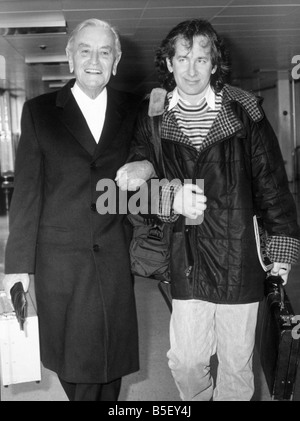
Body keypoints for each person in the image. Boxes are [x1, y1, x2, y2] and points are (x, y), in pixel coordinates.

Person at [116, 19, 300, 401]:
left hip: (239, 254)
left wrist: (282, 249)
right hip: (187, 255)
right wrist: (170, 198)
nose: (191, 69)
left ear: (215, 64)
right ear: (168, 64)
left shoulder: (245, 111)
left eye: (202, 59)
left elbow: (271, 182)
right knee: (185, 360)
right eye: (182, 59)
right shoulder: (152, 116)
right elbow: (136, 193)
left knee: (236, 366)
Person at [3, 18, 154, 402]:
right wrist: (16, 268)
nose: (94, 59)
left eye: (105, 52)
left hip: (113, 258)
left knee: (110, 365)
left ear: (116, 61)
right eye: (84, 50)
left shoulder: (134, 110)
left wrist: (147, 167)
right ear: (70, 58)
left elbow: (154, 161)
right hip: (60, 262)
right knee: (76, 367)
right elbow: (28, 193)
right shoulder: (40, 112)